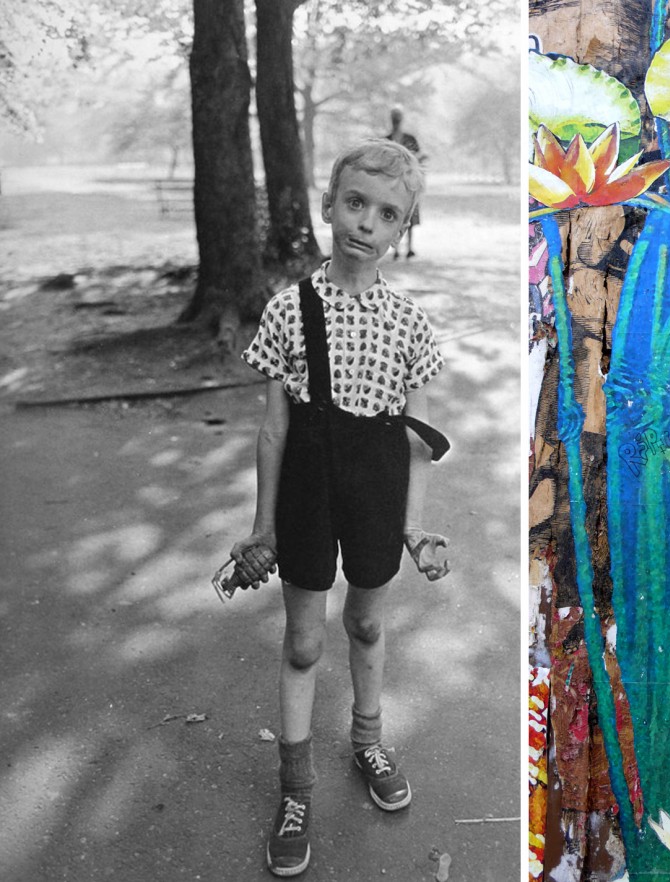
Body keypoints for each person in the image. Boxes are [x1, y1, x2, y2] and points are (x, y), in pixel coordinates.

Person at [229, 139, 451, 877]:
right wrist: (262, 527)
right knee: (303, 643)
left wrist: (415, 527)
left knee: (364, 622)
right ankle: (295, 791)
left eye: (386, 214)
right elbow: (272, 429)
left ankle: (368, 740)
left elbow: (419, 439)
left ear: (402, 230)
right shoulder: (289, 309)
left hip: (377, 493)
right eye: (354, 203)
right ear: (329, 205)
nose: (366, 222)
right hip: (306, 492)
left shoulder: (412, 326)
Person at [385, 107, 423, 258]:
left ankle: (409, 248)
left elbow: (418, 157)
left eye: (398, 118)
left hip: (409, 183)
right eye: (394, 118)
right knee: (394, 216)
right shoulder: (386, 140)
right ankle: (396, 249)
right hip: (392, 184)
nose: (396, 121)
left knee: (410, 216)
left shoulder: (410, 139)